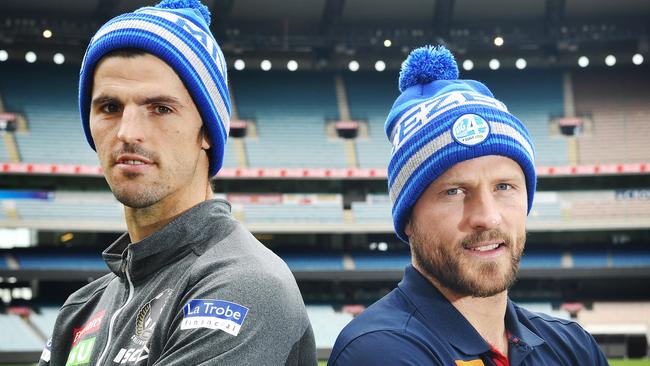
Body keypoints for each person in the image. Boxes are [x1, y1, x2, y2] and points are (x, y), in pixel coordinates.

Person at [38, 1, 316, 365]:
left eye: (160, 108)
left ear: (207, 133)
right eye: (109, 107)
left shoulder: (244, 286)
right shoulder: (82, 308)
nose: (127, 132)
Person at [328, 46, 608, 365]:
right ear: (409, 217)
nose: (487, 217)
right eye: (455, 191)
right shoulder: (378, 351)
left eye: (504, 186)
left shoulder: (572, 346)